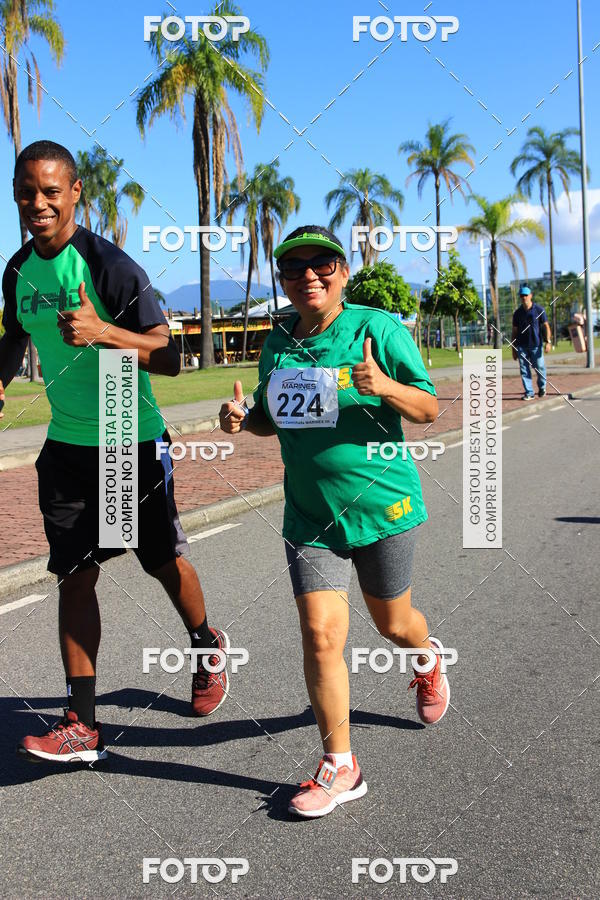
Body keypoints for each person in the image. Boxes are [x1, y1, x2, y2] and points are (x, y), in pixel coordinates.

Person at [0, 141, 228, 763]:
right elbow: (14, 335)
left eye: (52, 191)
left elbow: (172, 358)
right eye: (27, 191)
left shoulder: (108, 266)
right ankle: (82, 723)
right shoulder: (17, 270)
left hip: (130, 433)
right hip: (67, 444)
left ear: (75, 194)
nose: (38, 203)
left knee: (160, 562)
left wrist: (103, 332)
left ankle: (206, 644)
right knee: (75, 576)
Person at [220, 225, 450, 819]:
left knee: (393, 625)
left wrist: (387, 386)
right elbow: (276, 419)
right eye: (293, 270)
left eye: (321, 264)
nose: (308, 277)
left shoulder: (377, 328)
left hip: (383, 509)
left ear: (343, 271)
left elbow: (427, 407)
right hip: (310, 517)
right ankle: (340, 764)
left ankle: (426, 655)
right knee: (322, 636)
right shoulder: (277, 338)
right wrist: (242, 419)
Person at [511, 285, 552, 399]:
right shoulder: (517, 313)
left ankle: (542, 387)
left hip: (536, 345)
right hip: (521, 346)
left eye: (526, 295)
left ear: (531, 296)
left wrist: (548, 341)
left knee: (540, 367)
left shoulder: (539, 310)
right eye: (522, 295)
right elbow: (514, 331)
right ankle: (529, 392)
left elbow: (546, 326)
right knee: (524, 370)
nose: (524, 297)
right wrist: (513, 348)